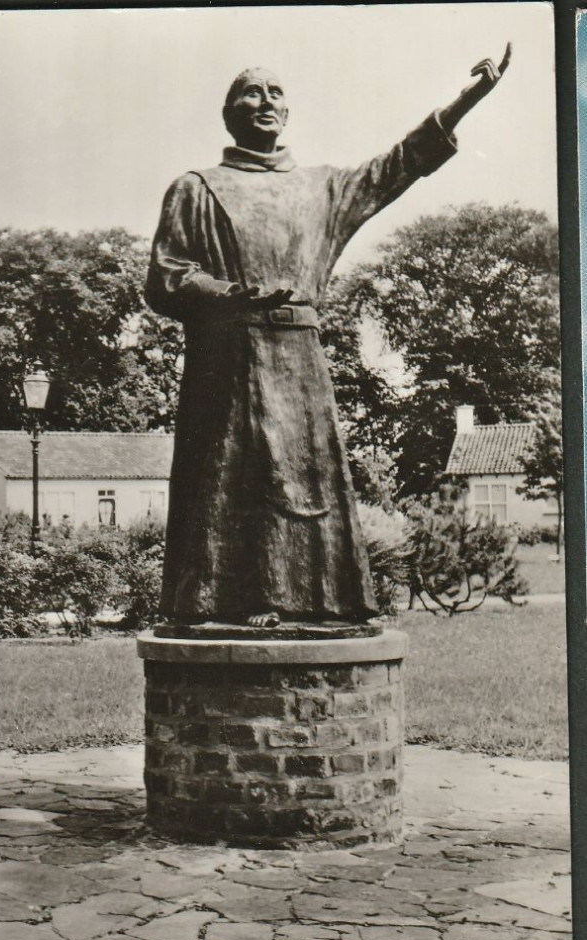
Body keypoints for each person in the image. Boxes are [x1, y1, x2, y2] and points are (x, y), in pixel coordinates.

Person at [146, 48, 511, 628]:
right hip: (227, 358)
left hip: (300, 361)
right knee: (230, 483)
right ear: (228, 112)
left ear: (287, 113)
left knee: (305, 479)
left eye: (275, 92)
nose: (264, 100)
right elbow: (165, 277)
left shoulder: (323, 188)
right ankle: (225, 604)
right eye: (250, 91)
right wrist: (224, 295)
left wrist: (463, 104)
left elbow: (398, 164)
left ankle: (320, 603)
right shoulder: (196, 188)